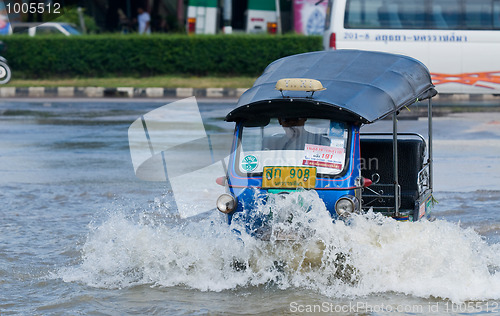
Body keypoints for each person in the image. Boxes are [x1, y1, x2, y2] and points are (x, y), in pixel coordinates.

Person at [263, 118, 330, 150]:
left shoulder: (320, 141)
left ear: (304, 118)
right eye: (286, 119)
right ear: (280, 121)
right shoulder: (274, 144)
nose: (292, 122)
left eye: (296, 118)